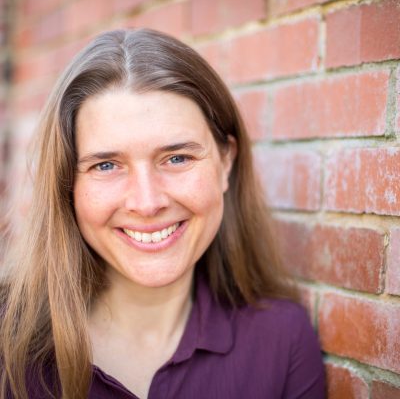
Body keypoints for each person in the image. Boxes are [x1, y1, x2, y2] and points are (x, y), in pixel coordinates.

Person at [0, 29, 325, 399]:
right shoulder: (6, 342)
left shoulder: (282, 341)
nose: (147, 201)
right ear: (67, 184)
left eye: (177, 158)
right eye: (106, 165)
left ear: (225, 161)